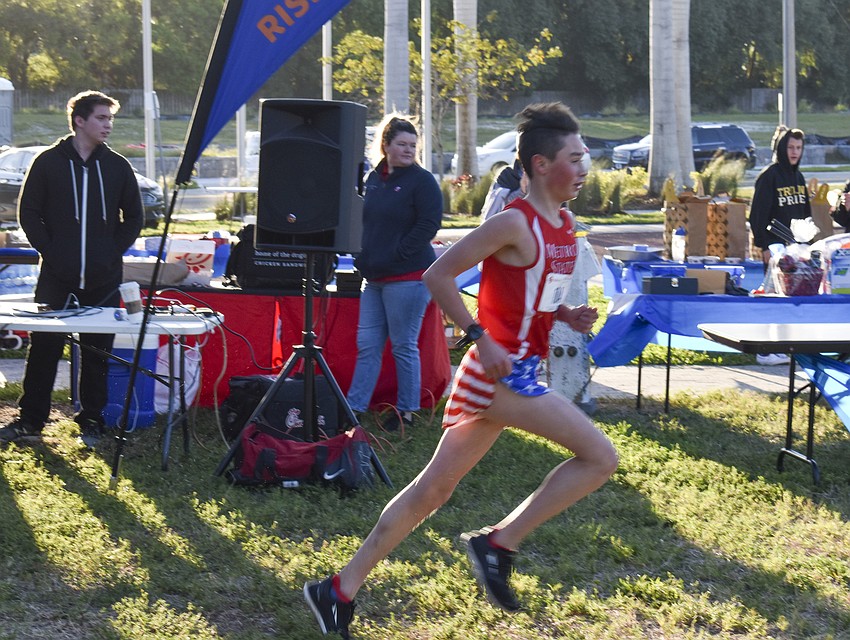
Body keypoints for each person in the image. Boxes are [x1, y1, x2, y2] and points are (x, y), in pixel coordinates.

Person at [304, 102, 618, 638]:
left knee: (432, 492)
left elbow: (534, 296)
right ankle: (497, 544)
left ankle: (336, 590)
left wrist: (566, 314)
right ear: (541, 164)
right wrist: (479, 337)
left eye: (585, 156)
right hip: (497, 374)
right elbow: (438, 274)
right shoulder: (512, 221)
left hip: (511, 370)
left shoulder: (563, 225)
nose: (585, 168)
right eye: (576, 157)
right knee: (599, 457)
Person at [0, 90, 144, 448]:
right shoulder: (47, 162)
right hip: (56, 277)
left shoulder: (118, 166)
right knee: (44, 350)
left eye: (110, 119)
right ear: (80, 121)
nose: (108, 125)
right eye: (101, 118)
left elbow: (135, 217)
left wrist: (111, 253)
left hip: (104, 278)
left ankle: (91, 420)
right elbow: (28, 213)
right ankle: (31, 420)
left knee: (96, 352)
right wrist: (51, 251)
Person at [345, 113, 443, 431]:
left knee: (403, 345)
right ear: (385, 146)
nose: (408, 150)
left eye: (413, 145)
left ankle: (407, 411)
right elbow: (364, 220)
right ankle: (354, 407)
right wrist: (362, 253)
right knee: (368, 345)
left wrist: (398, 253)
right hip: (373, 279)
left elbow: (429, 224)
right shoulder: (374, 178)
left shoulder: (423, 181)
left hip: (408, 277)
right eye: (401, 144)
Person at [748, 126, 810, 366]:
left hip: (796, 249)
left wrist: (808, 245)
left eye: (798, 148)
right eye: (790, 147)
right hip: (774, 248)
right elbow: (757, 216)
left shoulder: (799, 177)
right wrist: (763, 246)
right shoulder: (769, 176)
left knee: (790, 299)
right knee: (772, 297)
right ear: (781, 148)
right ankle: (765, 351)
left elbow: (805, 214)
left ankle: (781, 346)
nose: (794, 152)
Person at [480, 157, 526, 221]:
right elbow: (498, 207)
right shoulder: (506, 174)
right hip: (511, 225)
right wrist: (521, 191)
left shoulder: (542, 174)